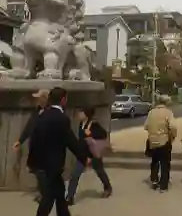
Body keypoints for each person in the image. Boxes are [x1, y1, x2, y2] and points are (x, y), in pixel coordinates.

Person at [28, 87, 88, 216]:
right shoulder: (62, 118)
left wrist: (32, 163)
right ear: (63, 100)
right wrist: (83, 157)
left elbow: (34, 140)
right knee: (49, 198)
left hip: (41, 164)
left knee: (60, 195)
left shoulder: (42, 115)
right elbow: (71, 141)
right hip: (53, 166)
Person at [66, 107, 112, 205]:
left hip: (93, 155)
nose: (78, 114)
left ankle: (107, 187)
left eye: (80, 112)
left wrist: (90, 133)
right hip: (83, 156)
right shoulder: (81, 124)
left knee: (100, 172)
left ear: (86, 114)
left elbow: (103, 134)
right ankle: (70, 197)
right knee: (74, 175)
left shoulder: (94, 124)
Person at [12, 89, 50, 203]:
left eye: (38, 98)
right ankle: (42, 192)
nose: (36, 100)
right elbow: (29, 127)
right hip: (36, 146)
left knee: (41, 171)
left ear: (45, 99)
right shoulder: (37, 111)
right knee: (37, 170)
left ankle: (45, 195)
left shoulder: (51, 112)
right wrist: (20, 141)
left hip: (46, 147)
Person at [144, 95, 177, 192]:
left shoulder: (151, 112)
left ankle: (154, 180)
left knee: (154, 161)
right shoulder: (168, 113)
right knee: (165, 163)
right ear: (166, 103)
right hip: (164, 140)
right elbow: (173, 127)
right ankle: (163, 185)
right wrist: (172, 136)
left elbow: (146, 126)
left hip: (152, 141)